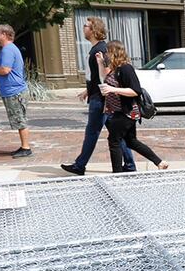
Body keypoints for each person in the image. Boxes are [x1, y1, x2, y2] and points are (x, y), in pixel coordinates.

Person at [98, 41, 168, 173]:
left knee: (114, 141)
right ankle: (159, 162)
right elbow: (104, 77)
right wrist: (100, 61)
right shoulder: (116, 68)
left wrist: (112, 90)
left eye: (107, 52)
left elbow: (136, 91)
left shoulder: (126, 68)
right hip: (121, 111)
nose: (106, 54)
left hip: (126, 112)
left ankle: (117, 173)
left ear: (114, 52)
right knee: (130, 141)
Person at [61, 17, 109, 176]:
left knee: (92, 132)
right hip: (98, 96)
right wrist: (87, 91)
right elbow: (96, 77)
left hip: (100, 99)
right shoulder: (97, 48)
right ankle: (129, 165)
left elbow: (106, 75)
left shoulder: (100, 50)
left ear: (94, 29)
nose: (83, 28)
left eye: (85, 26)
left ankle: (80, 165)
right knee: (116, 133)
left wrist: (97, 93)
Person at [0, 23, 32, 158]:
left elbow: (5, 69)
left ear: (5, 34)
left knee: (20, 120)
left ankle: (26, 148)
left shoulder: (8, 50)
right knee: (19, 119)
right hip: (13, 91)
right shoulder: (10, 49)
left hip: (15, 92)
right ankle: (24, 146)